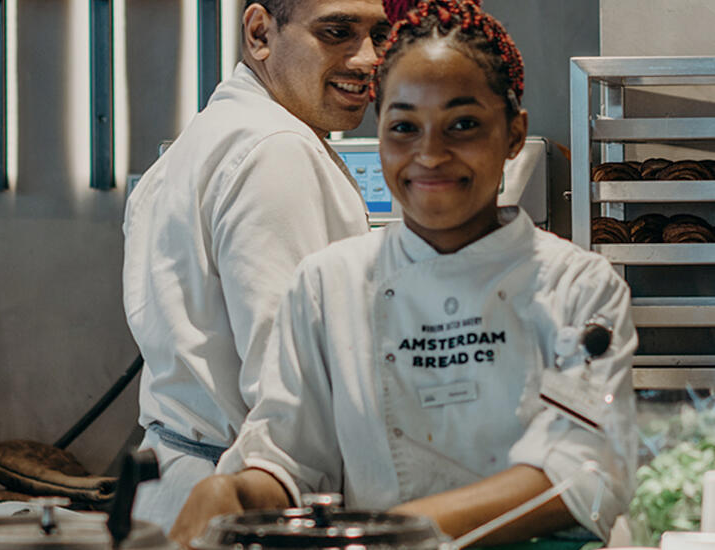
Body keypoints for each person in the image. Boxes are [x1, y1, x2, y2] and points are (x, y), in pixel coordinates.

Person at [168, 0, 639, 547]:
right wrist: (236, 495)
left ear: (514, 134)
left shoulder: (577, 286)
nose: (430, 154)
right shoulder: (327, 286)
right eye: (404, 126)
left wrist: (397, 534)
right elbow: (291, 459)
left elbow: (583, 472)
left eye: (463, 124)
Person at [122, 0, 391, 533]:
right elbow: (290, 390)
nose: (366, 59)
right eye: (337, 32)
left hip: (175, 485)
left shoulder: (203, 139)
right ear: (260, 33)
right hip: (245, 499)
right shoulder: (277, 150)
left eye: (376, 35)